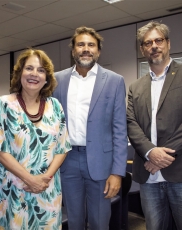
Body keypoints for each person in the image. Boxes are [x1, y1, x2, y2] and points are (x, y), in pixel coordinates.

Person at [53, 26, 128, 229]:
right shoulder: (57, 80)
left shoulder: (114, 81)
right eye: (81, 44)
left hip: (101, 163)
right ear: (73, 51)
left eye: (91, 45)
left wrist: (117, 173)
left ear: (98, 51)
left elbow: (120, 130)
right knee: (73, 220)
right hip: (67, 162)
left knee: (99, 220)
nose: (86, 49)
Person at [0, 48, 71, 229]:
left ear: (47, 77)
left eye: (41, 70)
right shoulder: (4, 104)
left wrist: (44, 179)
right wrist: (30, 179)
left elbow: (62, 147)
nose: (35, 74)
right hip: (15, 189)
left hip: (47, 189)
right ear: (20, 73)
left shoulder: (55, 106)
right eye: (29, 68)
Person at [127, 21, 182, 230]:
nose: (153, 45)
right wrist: (150, 152)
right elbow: (130, 122)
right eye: (147, 43)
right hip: (148, 177)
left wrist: (163, 156)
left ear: (168, 43)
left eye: (158, 40)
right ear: (142, 49)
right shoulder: (135, 86)